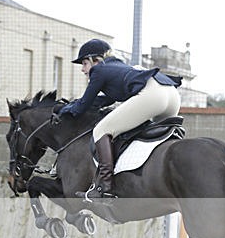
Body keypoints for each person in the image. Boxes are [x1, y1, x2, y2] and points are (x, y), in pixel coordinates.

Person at [58, 39, 182, 201]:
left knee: (101, 130)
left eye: (84, 63)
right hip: (171, 95)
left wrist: (63, 110)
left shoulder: (99, 70)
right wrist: (73, 104)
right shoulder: (117, 67)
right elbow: (104, 100)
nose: (83, 69)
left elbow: (82, 106)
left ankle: (104, 187)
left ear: (96, 60)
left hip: (154, 95)